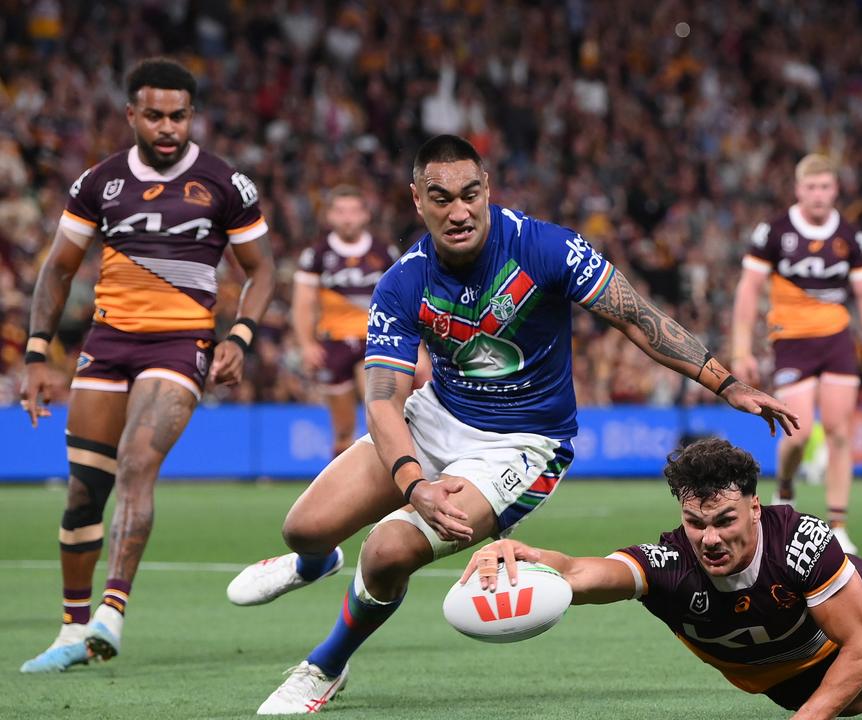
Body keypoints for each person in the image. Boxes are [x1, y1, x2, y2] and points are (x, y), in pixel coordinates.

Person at [227, 135, 799, 714]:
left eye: (470, 194)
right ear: (416, 201)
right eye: (441, 197)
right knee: (304, 527)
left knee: (385, 551)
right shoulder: (402, 283)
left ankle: (324, 664)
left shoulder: (546, 247)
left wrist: (727, 382)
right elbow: (382, 399)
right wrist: (413, 484)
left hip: (523, 446)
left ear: (487, 190)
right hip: (437, 416)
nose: (459, 211)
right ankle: (314, 560)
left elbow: (637, 317)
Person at [461, 439, 862, 719]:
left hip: (854, 621)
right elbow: (580, 571)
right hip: (782, 667)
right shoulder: (671, 567)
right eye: (695, 523)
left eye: (725, 520)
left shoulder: (802, 545)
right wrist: (524, 554)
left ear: (755, 508)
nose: (710, 538)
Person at [19, 58, 275, 672]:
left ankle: (112, 610)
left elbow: (261, 270)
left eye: (179, 116)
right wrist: (34, 353)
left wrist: (238, 336)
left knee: (138, 461)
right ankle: (71, 629)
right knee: (84, 492)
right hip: (106, 346)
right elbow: (57, 269)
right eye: (155, 115)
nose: (168, 127)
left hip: (180, 345)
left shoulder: (224, 184)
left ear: (193, 116)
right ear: (131, 114)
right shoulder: (97, 183)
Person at [731, 154, 862, 554]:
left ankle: (838, 524)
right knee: (797, 432)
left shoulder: (851, 237)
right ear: (798, 190)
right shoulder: (774, 232)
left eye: (825, 187)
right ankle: (785, 485)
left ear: (835, 190)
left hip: (836, 339)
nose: (818, 195)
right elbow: (749, 289)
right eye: (811, 188)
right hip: (791, 340)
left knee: (839, 430)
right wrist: (740, 347)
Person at [292, 185, 398, 457]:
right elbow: (303, 304)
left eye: (353, 211)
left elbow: (402, 299)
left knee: (379, 413)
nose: (347, 218)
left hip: (375, 342)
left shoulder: (384, 253)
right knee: (342, 429)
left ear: (365, 215)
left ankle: (388, 480)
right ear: (329, 216)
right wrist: (306, 344)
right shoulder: (316, 255)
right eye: (340, 211)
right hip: (333, 343)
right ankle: (340, 488)